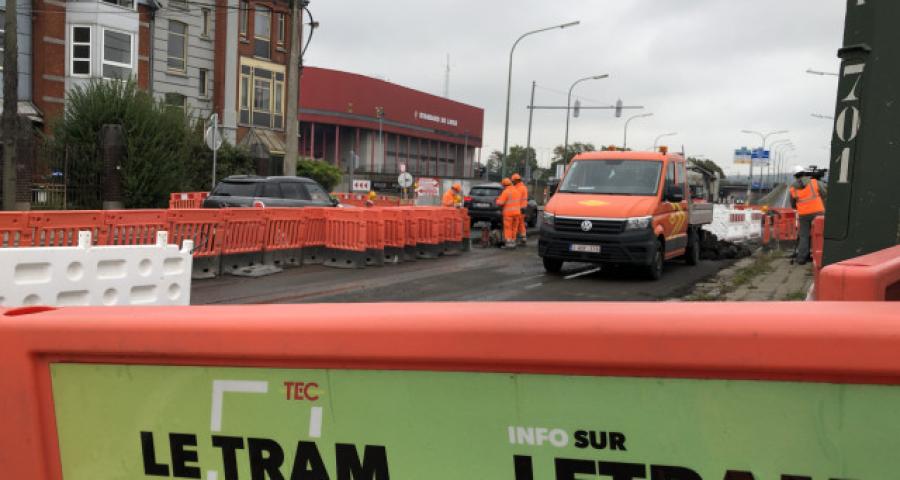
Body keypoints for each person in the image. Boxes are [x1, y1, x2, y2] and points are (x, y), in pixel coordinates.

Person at [789, 165, 826, 265]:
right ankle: (821, 257)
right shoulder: (814, 182)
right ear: (804, 173)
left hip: (804, 214)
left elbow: (793, 204)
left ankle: (802, 258)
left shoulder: (792, 188)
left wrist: (801, 207)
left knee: (804, 236)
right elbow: (824, 193)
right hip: (819, 212)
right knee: (820, 235)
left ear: (795, 176)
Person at [495, 178, 521, 249]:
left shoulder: (506, 192)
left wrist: (497, 200)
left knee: (508, 228)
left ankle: (508, 243)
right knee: (514, 228)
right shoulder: (517, 191)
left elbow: (501, 203)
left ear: (504, 185)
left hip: (508, 214)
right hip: (517, 213)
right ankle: (513, 242)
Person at [511, 173, 528, 245]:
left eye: (513, 181)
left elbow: (516, 198)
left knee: (516, 224)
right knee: (521, 224)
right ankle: (523, 237)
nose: (512, 182)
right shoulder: (523, 187)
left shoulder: (518, 188)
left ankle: (513, 239)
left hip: (519, 208)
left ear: (516, 180)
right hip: (523, 208)